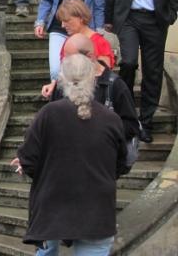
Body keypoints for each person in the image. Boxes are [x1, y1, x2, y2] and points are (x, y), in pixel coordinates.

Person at [12, 54, 129, 255]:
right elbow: (121, 163)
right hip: (97, 208)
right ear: (93, 79)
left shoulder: (48, 114)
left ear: (62, 81)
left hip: (52, 203)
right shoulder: (112, 119)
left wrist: (44, 174)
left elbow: (29, 159)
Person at [105, 0, 178, 144]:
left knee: (153, 72)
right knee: (127, 62)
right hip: (128, 17)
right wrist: (108, 18)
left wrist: (170, 14)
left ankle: (145, 123)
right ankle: (124, 117)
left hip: (156, 20)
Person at [50, 33, 139, 141]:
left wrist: (101, 131)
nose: (65, 63)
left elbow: (131, 126)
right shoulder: (62, 83)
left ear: (89, 57)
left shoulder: (115, 85)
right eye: (65, 58)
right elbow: (51, 119)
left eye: (71, 59)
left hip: (102, 153)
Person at [41, 0, 114, 99]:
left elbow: (104, 77)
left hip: (92, 96)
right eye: (62, 21)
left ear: (81, 18)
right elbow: (64, 72)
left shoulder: (101, 43)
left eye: (66, 21)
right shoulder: (69, 42)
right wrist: (53, 83)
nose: (62, 25)